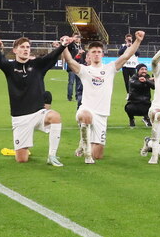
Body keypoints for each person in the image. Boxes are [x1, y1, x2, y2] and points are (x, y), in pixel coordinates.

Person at [61, 31, 144, 164]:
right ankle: (86, 152)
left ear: (102, 54)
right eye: (93, 52)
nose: (96, 54)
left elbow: (126, 55)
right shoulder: (84, 70)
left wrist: (138, 41)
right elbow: (70, 61)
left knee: (98, 155)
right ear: (89, 55)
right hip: (86, 110)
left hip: (102, 114)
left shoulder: (110, 68)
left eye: (99, 51)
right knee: (86, 117)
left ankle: (83, 143)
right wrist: (63, 45)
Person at [0, 36, 67, 165]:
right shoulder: (10, 68)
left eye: (27, 47)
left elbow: (50, 57)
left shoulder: (37, 65)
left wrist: (62, 46)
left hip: (38, 113)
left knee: (55, 116)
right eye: (22, 47)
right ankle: (23, 148)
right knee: (22, 159)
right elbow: (0, 59)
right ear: (15, 50)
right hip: (20, 118)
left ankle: (52, 155)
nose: (26, 49)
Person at [65, 34, 83, 102]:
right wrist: (71, 40)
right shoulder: (71, 45)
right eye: (77, 37)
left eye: (79, 37)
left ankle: (77, 96)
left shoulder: (80, 46)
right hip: (72, 67)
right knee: (71, 82)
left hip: (79, 67)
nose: (78, 38)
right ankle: (69, 97)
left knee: (78, 83)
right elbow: (67, 47)